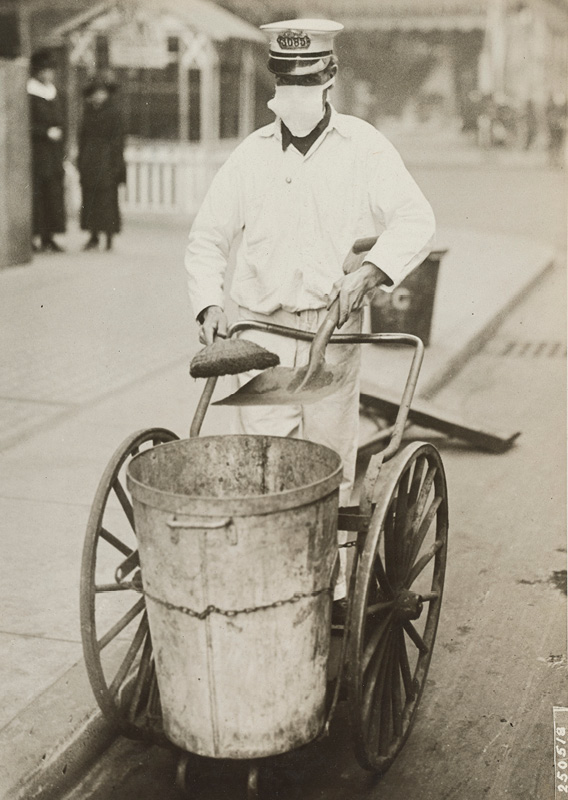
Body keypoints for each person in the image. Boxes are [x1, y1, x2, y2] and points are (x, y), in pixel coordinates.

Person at [185, 18, 436, 611]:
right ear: (275, 86)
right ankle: (270, 595)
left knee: (327, 466)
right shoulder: (251, 156)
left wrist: (371, 273)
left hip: (332, 329)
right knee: (265, 471)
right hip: (260, 335)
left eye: (308, 82)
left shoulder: (363, 147)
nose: (296, 97)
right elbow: (206, 240)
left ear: (330, 78)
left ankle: (331, 594)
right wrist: (208, 303)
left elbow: (416, 220)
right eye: (286, 85)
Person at [77, 74, 126, 251]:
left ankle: (109, 237)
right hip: (90, 159)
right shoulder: (88, 112)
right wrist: (81, 160)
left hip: (107, 159)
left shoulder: (113, 112)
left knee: (107, 198)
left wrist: (116, 164)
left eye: (102, 93)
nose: (99, 96)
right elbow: (81, 137)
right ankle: (93, 235)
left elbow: (118, 140)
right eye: (96, 93)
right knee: (90, 198)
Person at [27, 49, 66, 252]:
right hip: (37, 150)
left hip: (53, 153)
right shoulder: (30, 93)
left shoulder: (53, 93)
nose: (49, 75)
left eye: (51, 71)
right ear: (38, 72)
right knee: (37, 194)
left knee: (52, 193)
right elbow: (26, 123)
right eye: (45, 70)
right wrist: (45, 133)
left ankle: (48, 236)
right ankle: (34, 236)